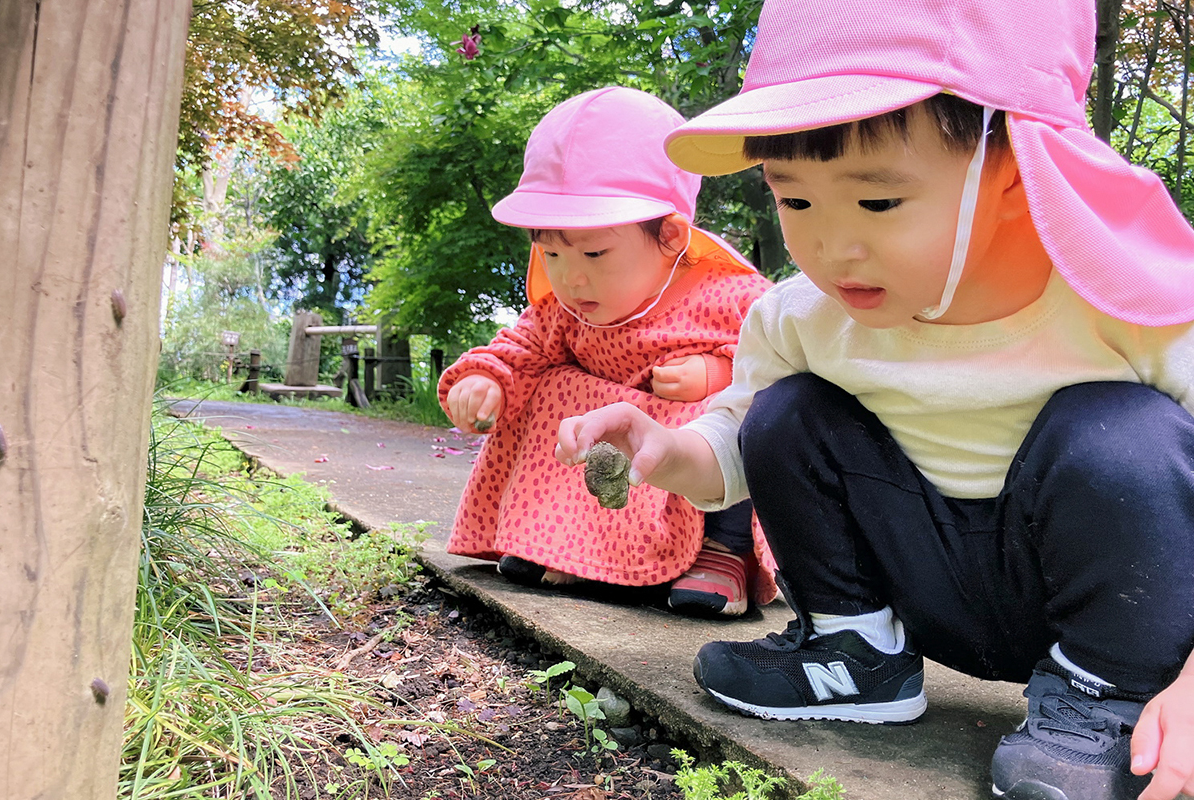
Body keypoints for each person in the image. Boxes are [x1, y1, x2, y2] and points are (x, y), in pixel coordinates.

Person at [554, 2, 1194, 798]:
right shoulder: (800, 318)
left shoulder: (1137, 306)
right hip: (923, 578)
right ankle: (856, 652)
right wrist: (664, 447)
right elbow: (737, 447)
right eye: (796, 200)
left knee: (1122, 433)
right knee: (786, 414)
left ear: (1016, 170)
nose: (832, 247)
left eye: (878, 202)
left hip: (1103, 605)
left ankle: (1110, 703)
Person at [438, 87, 777, 617]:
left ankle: (724, 552)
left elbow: (781, 360)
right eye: (551, 252)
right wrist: (485, 379)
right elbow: (519, 348)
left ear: (669, 236)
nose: (572, 277)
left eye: (595, 252)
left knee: (747, 415)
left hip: (691, 474)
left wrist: (720, 370)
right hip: (602, 477)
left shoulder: (729, 296)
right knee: (550, 383)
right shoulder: (564, 310)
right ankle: (562, 543)